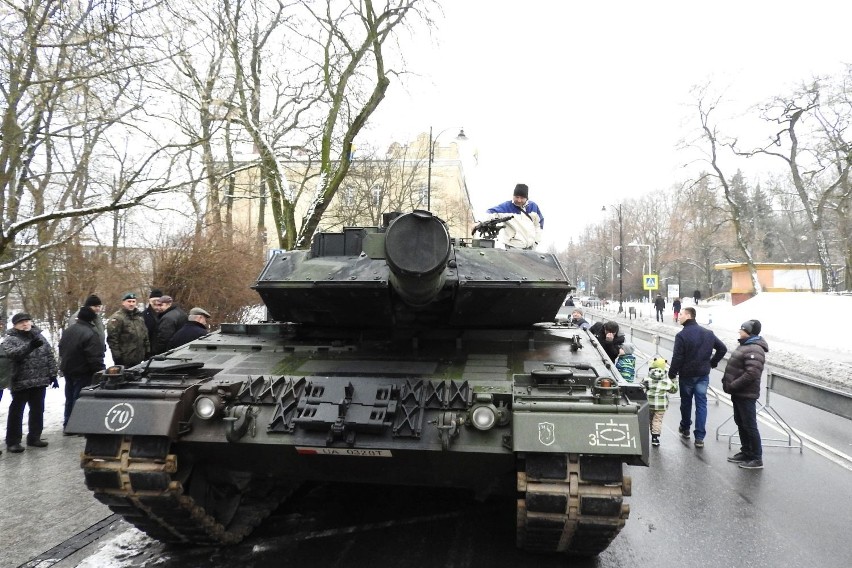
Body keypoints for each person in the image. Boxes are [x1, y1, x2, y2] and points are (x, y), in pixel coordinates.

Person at [669, 306, 727, 448]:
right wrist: (712, 362)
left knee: (686, 403)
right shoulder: (708, 333)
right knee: (701, 404)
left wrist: (672, 373)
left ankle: (685, 428)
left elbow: (677, 357)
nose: (678, 316)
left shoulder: (682, 335)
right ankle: (700, 437)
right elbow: (722, 349)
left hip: (687, 375)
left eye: (681, 314)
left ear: (689, 316)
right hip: (702, 374)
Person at [4, 313, 59, 453]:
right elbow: (13, 354)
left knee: (37, 410)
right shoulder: (10, 339)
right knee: (17, 412)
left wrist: (53, 374)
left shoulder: (39, 336)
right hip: (21, 381)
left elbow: (49, 355)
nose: (25, 324)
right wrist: (29, 347)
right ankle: (13, 441)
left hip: (40, 380)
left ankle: (34, 437)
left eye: (27, 321)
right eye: (21, 322)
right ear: (15, 325)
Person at [721, 319, 769, 469]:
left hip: (746, 394)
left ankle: (756, 457)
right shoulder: (746, 345)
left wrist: (733, 385)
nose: (739, 331)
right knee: (741, 422)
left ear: (749, 332)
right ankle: (746, 451)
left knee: (749, 425)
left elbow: (752, 373)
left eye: (742, 329)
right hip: (738, 393)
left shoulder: (755, 349)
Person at [58, 306, 106, 433]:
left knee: (69, 397)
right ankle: (77, 426)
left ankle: (67, 424)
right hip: (83, 370)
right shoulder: (90, 333)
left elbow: (61, 348)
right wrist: (100, 370)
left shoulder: (68, 330)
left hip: (68, 369)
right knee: (80, 398)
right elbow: (94, 355)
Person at [482, 183, 544, 250]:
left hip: (530, 247)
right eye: (517, 197)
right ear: (513, 196)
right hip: (513, 247)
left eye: (522, 198)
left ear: (526, 198)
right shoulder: (506, 206)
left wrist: (536, 241)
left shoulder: (533, 207)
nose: (519, 200)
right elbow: (490, 213)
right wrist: (480, 223)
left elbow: (539, 225)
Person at [106, 292, 150, 367]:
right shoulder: (118, 318)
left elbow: (145, 335)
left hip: (139, 359)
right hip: (124, 359)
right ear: (123, 302)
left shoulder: (139, 317)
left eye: (133, 301)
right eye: (129, 301)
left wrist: (147, 351)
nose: (131, 304)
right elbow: (113, 340)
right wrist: (117, 357)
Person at [643, 357, 678, 447]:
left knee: (649, 419)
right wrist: (675, 381)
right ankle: (655, 438)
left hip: (649, 403)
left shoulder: (647, 378)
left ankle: (644, 436)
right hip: (661, 406)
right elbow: (673, 390)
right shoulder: (666, 380)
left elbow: (642, 388)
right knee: (657, 420)